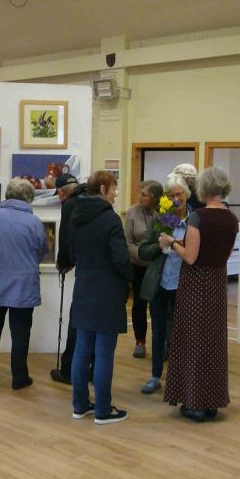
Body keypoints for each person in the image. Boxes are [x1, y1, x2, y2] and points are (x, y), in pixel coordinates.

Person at [159, 167, 238, 421]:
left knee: (192, 341)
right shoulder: (232, 218)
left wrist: (172, 243)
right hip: (217, 283)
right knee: (213, 343)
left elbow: (191, 257)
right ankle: (212, 401)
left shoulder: (198, 217)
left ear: (202, 189)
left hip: (195, 284)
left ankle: (194, 402)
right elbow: (225, 254)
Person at [69, 170, 133, 424]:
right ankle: (103, 410)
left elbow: (71, 251)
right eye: (114, 188)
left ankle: (79, 405)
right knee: (104, 351)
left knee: (82, 349)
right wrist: (130, 279)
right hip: (107, 292)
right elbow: (121, 258)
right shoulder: (110, 219)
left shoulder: (76, 215)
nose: (116, 194)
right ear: (104, 189)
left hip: (83, 287)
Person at [0, 178, 48, 391]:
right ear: (29, 198)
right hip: (23, 286)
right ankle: (19, 377)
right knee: (21, 333)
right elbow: (41, 252)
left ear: (7, 194)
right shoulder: (34, 222)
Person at [136, 175, 191, 395]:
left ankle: (179, 378)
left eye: (179, 194)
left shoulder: (195, 221)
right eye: (171, 195)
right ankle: (155, 375)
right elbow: (143, 251)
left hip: (183, 285)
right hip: (160, 285)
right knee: (158, 332)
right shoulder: (163, 219)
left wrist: (174, 244)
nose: (176, 199)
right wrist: (159, 246)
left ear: (187, 195)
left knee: (180, 334)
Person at [49, 173, 87, 384]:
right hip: (102, 273)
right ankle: (90, 368)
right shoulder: (93, 199)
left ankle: (68, 370)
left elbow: (65, 237)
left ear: (62, 193)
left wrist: (64, 263)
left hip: (85, 271)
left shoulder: (70, 205)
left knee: (76, 321)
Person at [123, 180, 163, 359]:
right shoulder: (132, 213)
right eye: (140, 193)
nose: (140, 197)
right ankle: (140, 342)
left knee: (158, 306)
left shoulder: (164, 213)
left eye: (144, 195)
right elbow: (128, 242)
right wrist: (142, 254)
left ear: (155, 197)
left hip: (157, 266)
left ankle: (160, 342)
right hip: (138, 266)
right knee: (139, 305)